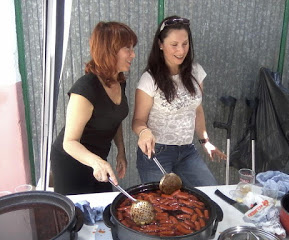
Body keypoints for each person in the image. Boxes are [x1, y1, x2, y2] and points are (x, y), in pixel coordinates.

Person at [132, 16, 226, 187]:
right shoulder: (149, 79)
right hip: (157, 152)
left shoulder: (196, 72)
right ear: (160, 44)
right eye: (174, 45)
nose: (181, 51)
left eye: (185, 44)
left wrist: (205, 141)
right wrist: (144, 132)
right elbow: (138, 121)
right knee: (162, 206)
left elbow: (197, 109)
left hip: (187, 150)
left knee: (209, 192)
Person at [51, 21, 137, 195]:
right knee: (79, 216)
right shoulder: (85, 89)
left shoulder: (119, 81)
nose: (133, 54)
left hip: (98, 160)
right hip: (71, 162)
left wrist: (121, 151)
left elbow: (115, 117)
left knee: (103, 210)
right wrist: (96, 162)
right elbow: (69, 142)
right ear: (109, 50)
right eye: (127, 48)